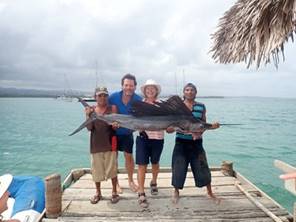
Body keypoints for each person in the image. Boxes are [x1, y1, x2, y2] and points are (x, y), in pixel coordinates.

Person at [167, 83, 220, 204]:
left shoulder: (201, 106)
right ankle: (176, 192)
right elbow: (169, 129)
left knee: (203, 167)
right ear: (184, 92)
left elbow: (204, 125)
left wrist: (208, 129)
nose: (189, 92)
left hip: (197, 143)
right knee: (178, 168)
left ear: (195, 92)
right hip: (181, 143)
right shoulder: (177, 108)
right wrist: (170, 129)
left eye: (192, 90)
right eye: (187, 90)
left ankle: (210, 192)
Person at [85, 86, 120, 204]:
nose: (102, 97)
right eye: (100, 95)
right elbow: (89, 128)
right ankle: (98, 193)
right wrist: (88, 115)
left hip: (111, 144)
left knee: (112, 170)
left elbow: (115, 126)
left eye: (105, 95)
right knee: (96, 171)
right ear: (95, 97)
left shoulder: (113, 108)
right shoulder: (91, 110)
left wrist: (115, 125)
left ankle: (114, 191)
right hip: (96, 145)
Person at [108, 74, 142, 192]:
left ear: (135, 86)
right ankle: (116, 183)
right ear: (122, 86)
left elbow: (140, 118)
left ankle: (131, 180)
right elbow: (104, 108)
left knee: (129, 157)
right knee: (114, 158)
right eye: (126, 85)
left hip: (128, 133)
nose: (128, 88)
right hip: (113, 133)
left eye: (131, 85)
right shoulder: (112, 97)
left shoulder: (138, 99)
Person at [136, 79, 164, 208]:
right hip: (143, 138)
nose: (150, 90)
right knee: (142, 165)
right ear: (145, 91)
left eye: (153, 88)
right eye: (148, 89)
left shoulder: (162, 105)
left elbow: (168, 127)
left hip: (158, 138)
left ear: (156, 91)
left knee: (155, 163)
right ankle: (141, 191)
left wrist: (170, 128)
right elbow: (134, 120)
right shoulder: (139, 104)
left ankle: (153, 182)